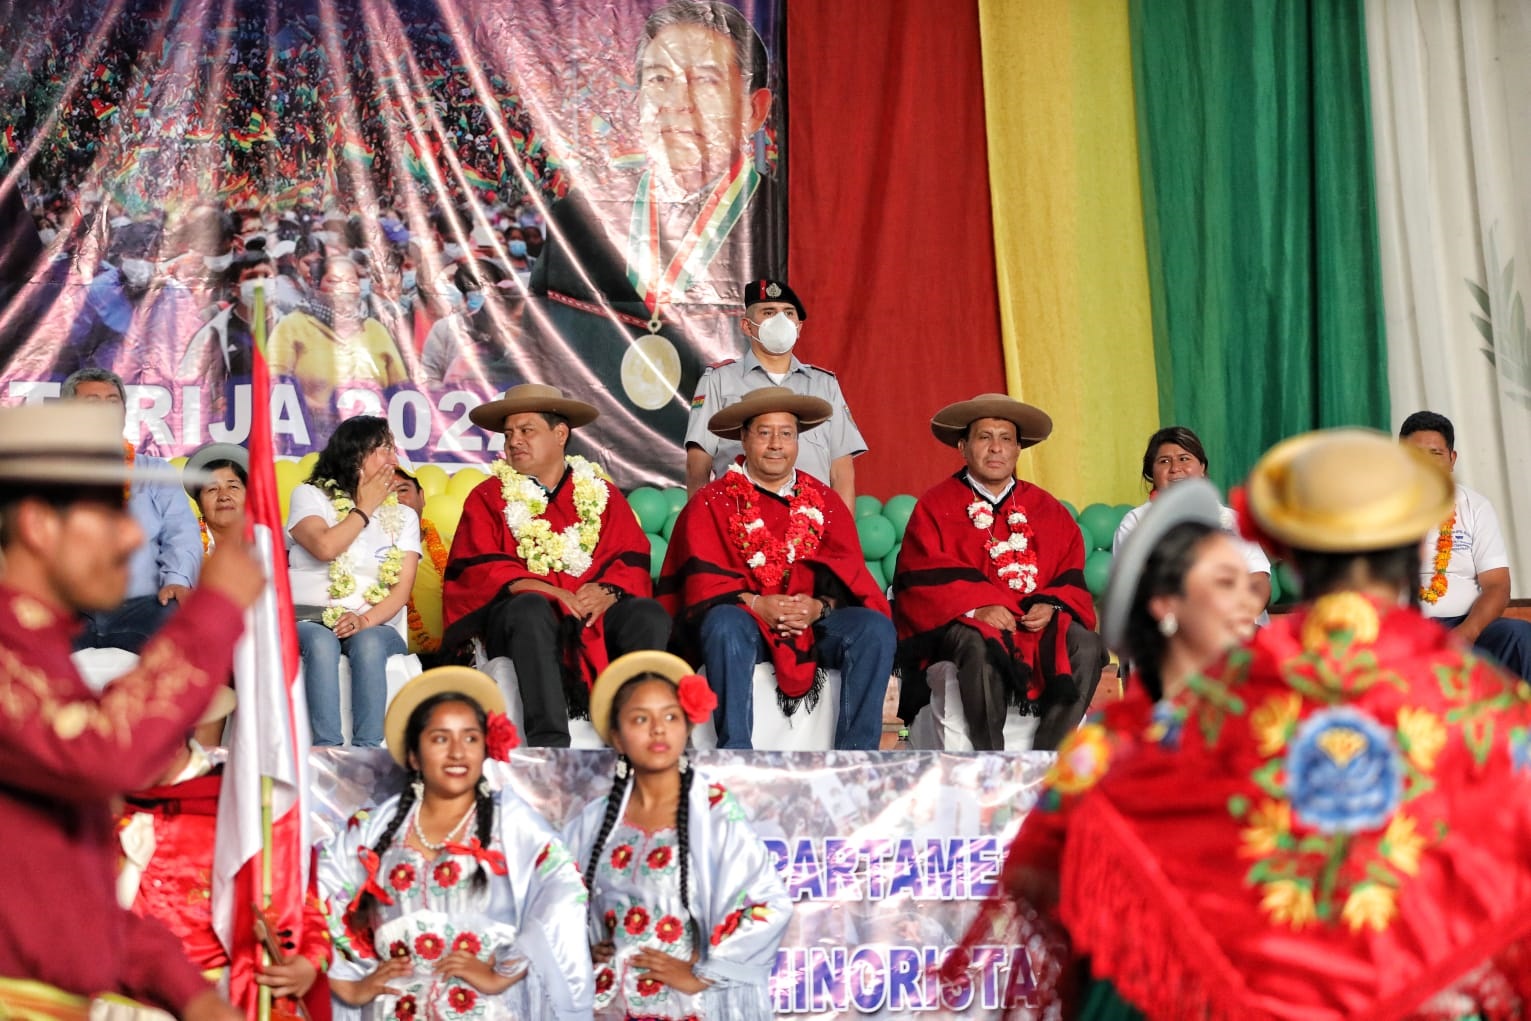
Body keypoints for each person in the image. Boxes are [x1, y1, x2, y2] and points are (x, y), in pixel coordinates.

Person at [950, 429, 1531, 1016]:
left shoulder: (1209, 697)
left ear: (1290, 555)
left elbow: (1083, 823)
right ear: (1414, 553)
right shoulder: (1483, 699)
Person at [0, 400, 262, 1021]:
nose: (133, 536)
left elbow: (65, 899)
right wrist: (213, 611)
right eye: (108, 515)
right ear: (39, 526)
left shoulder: (40, 654)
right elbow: (100, 756)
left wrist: (189, 993)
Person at [526, 0, 784, 487]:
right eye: (660, 79)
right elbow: (537, 353)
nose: (677, 101)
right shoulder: (581, 219)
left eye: (705, 80)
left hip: (741, 490)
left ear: (754, 110)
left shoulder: (785, 225)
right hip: (597, 486)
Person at [317, 666, 593, 1020]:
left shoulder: (511, 822)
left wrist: (504, 970)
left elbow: (564, 891)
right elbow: (316, 892)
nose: (457, 752)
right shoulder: (376, 829)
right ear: (414, 755)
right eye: (440, 739)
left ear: (486, 748)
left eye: (470, 738)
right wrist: (347, 982)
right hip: (394, 1009)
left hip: (484, 1010)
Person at [659, 386, 895, 749]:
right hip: (746, 622)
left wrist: (818, 607)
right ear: (743, 438)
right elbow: (700, 586)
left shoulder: (825, 501)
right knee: (723, 624)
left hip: (813, 624)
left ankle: (857, 758)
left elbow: (849, 580)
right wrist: (756, 604)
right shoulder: (712, 502)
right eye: (764, 433)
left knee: (874, 629)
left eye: (786, 434)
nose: (776, 445)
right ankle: (735, 753)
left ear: (797, 441)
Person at [566, 650, 792, 1020]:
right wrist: (582, 950)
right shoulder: (592, 821)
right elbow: (555, 904)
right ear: (617, 738)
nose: (658, 729)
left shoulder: (713, 812)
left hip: (684, 1006)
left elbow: (770, 904)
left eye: (670, 716)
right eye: (640, 718)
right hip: (609, 1005)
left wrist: (705, 972)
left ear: (686, 728)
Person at [442, 384, 671, 747]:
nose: (514, 441)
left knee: (647, 615)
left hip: (592, 613)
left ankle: (636, 737)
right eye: (508, 434)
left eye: (526, 430)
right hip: (521, 619)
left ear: (560, 434)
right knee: (531, 608)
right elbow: (477, 568)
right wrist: (546, 590)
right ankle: (550, 743)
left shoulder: (602, 493)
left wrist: (608, 591)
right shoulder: (487, 496)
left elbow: (630, 556)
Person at [892, 393, 1106, 751]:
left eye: (1006, 439)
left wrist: (1053, 604)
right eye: (984, 437)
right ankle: (990, 759)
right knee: (978, 645)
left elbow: (1069, 572)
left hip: (1035, 625)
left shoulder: (1047, 508)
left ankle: (1047, 758)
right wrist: (976, 608)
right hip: (964, 625)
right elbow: (920, 575)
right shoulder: (935, 505)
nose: (996, 448)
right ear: (963, 447)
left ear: (1018, 449)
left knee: (1086, 645)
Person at [115, 691, 329, 1017]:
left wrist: (308, 962)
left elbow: (297, 900)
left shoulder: (241, 812)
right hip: (118, 1001)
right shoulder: (101, 812)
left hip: (216, 1002)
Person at [287, 417, 421, 747]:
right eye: (384, 449)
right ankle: (327, 751)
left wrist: (364, 620)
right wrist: (364, 508)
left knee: (369, 643)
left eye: (393, 449)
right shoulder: (309, 496)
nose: (394, 459)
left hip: (374, 624)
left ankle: (367, 753)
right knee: (321, 643)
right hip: (306, 619)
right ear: (355, 454)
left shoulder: (404, 517)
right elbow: (325, 547)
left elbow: (401, 591)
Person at [683, 279, 866, 507]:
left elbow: (842, 473)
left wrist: (842, 528)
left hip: (811, 518)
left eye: (788, 313)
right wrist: (699, 522)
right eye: (769, 312)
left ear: (799, 327)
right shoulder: (719, 380)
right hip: (741, 518)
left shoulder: (824, 384)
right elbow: (697, 466)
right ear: (747, 326)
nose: (781, 320)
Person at [64, 368, 203, 654]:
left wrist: (177, 580)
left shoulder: (155, 472)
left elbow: (182, 533)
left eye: (113, 401)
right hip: (67, 608)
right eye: (92, 402)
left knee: (183, 640)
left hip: (143, 607)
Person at [1400, 410, 1531, 682]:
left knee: (1518, 636)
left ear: (1452, 459)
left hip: (1464, 624)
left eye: (1435, 454)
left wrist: (1465, 634)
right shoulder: (1376, 508)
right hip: (1399, 628)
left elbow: (1497, 585)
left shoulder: (1475, 507)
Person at [1112, 425, 1272, 610]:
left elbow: (1258, 578)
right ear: (1151, 473)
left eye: (1184, 459)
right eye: (1164, 461)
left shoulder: (1231, 521)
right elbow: (1134, 589)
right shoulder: (1136, 523)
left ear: (1202, 467)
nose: (1175, 468)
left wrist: (1242, 616)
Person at [268, 254, 411, 436]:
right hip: (309, 436)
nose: (344, 288)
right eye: (335, 281)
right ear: (317, 286)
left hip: (369, 438)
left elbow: (399, 389)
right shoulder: (292, 326)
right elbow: (275, 382)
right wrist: (322, 410)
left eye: (352, 282)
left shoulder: (375, 329)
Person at [182, 441, 248, 563]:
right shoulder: (181, 545)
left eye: (233, 487)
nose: (223, 496)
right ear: (199, 504)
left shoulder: (264, 542)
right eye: (212, 489)